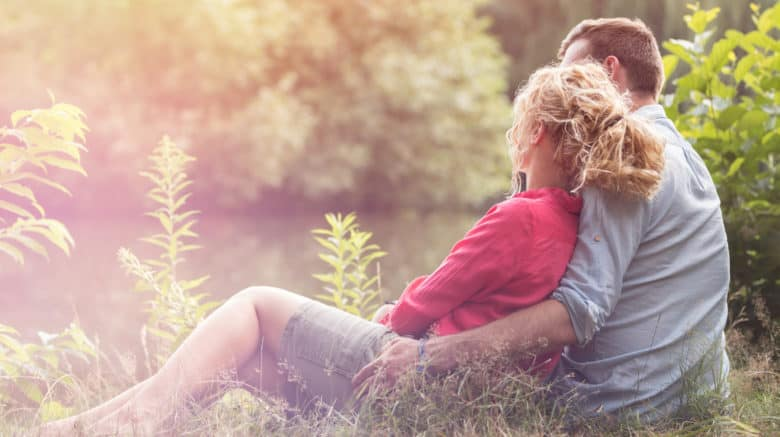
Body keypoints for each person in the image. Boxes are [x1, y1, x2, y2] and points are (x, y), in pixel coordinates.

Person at [41, 62, 664, 435]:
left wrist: (385, 319)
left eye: (516, 133)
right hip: (461, 393)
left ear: (536, 136)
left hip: (421, 376)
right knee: (246, 364)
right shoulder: (575, 220)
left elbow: (431, 298)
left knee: (255, 303)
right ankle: (91, 427)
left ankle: (132, 422)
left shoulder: (522, 217)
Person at [353, 18, 731, 423]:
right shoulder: (687, 159)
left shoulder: (622, 163)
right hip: (694, 403)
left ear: (608, 71)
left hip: (616, 410)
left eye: (572, 74)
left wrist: (430, 355)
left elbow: (579, 311)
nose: (567, 91)